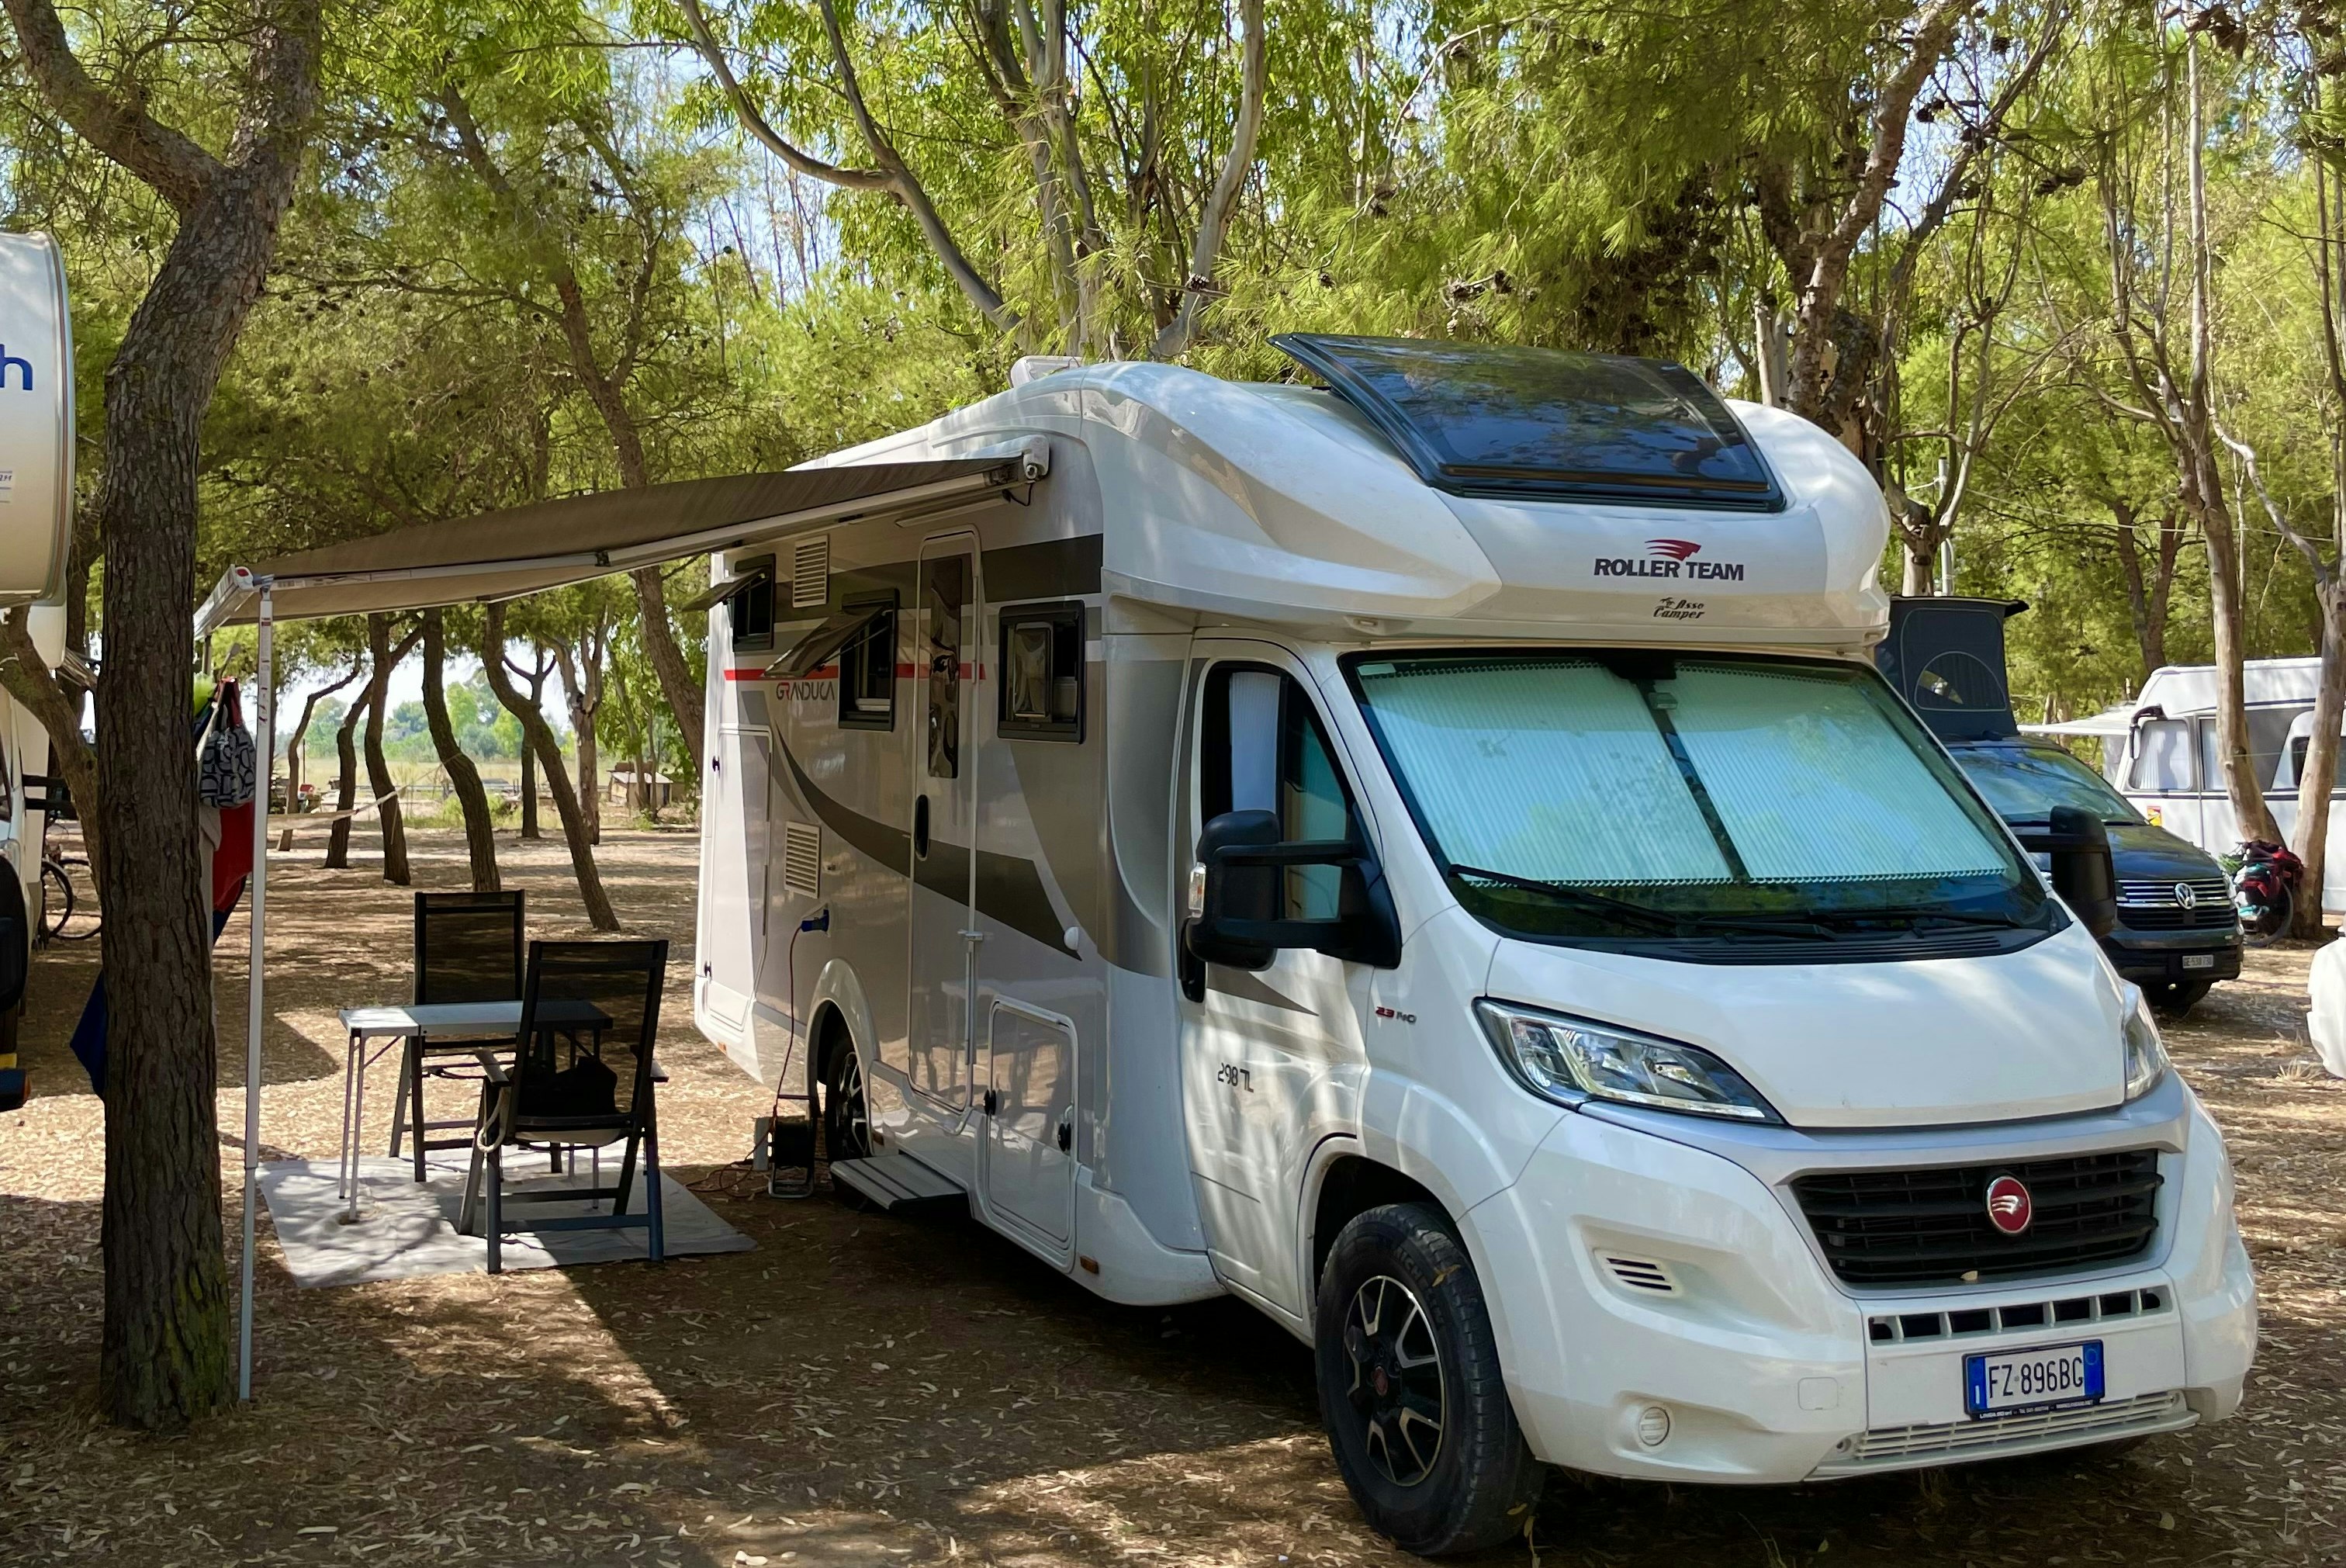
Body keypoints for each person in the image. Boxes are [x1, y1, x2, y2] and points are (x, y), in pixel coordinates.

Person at [67, 677, 255, 1096]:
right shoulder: (207, 737)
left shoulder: (204, 738)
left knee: (158, 970)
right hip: (201, 882)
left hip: (198, 881)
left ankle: (112, 1060)